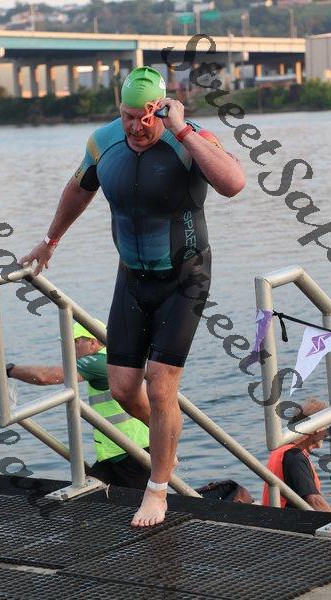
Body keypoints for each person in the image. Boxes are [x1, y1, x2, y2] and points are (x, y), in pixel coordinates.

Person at [20, 66, 245, 527]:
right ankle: (167, 442)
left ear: (161, 109)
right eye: (128, 116)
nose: (137, 126)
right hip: (132, 278)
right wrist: (50, 240)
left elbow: (233, 183)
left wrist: (183, 130)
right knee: (123, 387)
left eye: (146, 117)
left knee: (160, 385)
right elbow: (78, 189)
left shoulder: (190, 138)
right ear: (118, 109)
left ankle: (157, 490)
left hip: (185, 277)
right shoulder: (103, 142)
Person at [8, 321, 150, 489]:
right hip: (119, 451)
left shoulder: (99, 361)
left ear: (93, 342)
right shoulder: (113, 358)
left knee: (136, 502)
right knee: (86, 492)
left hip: (132, 452)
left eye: (75, 341)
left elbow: (46, 376)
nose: (69, 347)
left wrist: (10, 370)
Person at [262, 397, 331, 511]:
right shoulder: (294, 456)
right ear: (315, 428)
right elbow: (314, 501)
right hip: (285, 520)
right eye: (325, 426)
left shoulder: (282, 450)